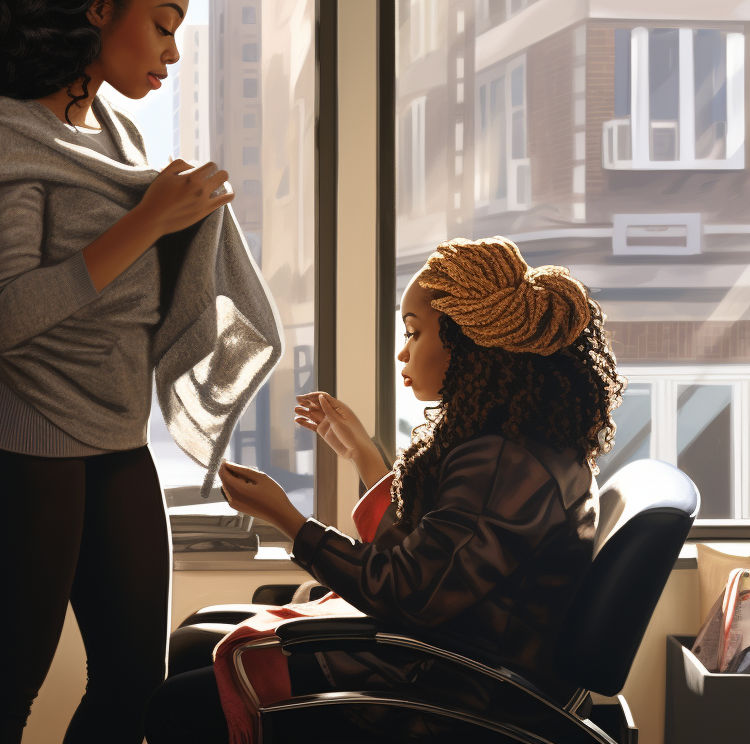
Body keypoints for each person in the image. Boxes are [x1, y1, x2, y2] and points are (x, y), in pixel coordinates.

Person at [0, 0, 282, 744]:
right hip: (16, 435)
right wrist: (151, 219)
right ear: (100, 9)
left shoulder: (116, 133)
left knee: (131, 689)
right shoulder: (1, 136)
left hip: (111, 430)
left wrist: (178, 220)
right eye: (163, 22)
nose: (174, 51)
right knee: (5, 690)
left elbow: (128, 276)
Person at [144, 235, 625, 743]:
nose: (403, 351)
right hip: (454, 659)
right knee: (194, 643)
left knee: (173, 706)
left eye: (414, 334)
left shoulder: (502, 462)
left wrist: (286, 519)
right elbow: (439, 554)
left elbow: (404, 589)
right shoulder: (517, 444)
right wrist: (364, 457)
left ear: (466, 341)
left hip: (449, 694)